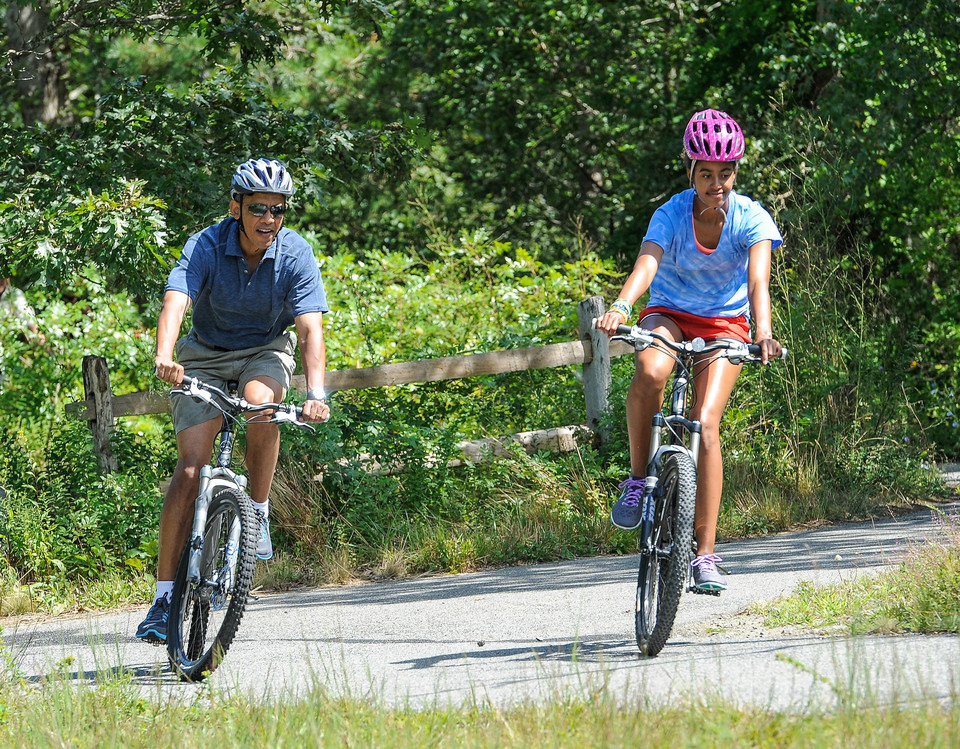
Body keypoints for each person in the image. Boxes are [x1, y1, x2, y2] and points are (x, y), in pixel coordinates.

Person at [136, 158, 331, 643]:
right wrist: (165, 356)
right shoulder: (206, 243)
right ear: (236, 207)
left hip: (264, 350)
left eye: (279, 210)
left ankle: (257, 512)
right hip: (203, 356)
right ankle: (163, 600)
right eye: (259, 208)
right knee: (189, 470)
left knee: (262, 403)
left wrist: (316, 392)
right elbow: (176, 300)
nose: (269, 218)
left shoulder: (295, 253)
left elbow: (309, 329)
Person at [595, 109, 783, 593]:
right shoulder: (671, 213)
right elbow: (647, 264)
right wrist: (621, 306)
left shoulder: (751, 217)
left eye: (724, 173)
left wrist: (763, 333)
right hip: (670, 313)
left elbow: (758, 280)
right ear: (690, 172)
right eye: (705, 174)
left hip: (726, 322)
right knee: (650, 370)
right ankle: (637, 480)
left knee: (705, 420)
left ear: (735, 171)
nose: (715, 183)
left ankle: (704, 554)